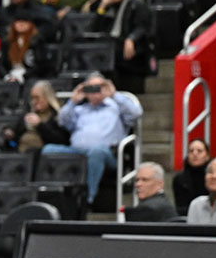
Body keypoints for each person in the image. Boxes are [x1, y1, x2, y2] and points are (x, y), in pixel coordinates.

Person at [41, 74, 143, 202]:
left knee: (97, 150)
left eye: (99, 87)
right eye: (91, 88)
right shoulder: (80, 109)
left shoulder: (116, 107)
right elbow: (62, 121)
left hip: (107, 154)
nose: (95, 92)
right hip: (77, 152)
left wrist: (114, 95)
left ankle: (89, 197)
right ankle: (50, 195)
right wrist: (73, 101)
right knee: (48, 150)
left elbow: (136, 113)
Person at [2, 80, 69, 152]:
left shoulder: (58, 116)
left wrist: (39, 125)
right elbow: (13, 144)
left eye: (37, 98)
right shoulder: (27, 116)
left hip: (44, 157)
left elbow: (62, 141)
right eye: (32, 98)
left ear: (47, 97)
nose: (34, 102)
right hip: (21, 156)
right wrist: (10, 139)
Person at [173, 139, 210, 214]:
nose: (195, 154)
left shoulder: (213, 178)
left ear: (207, 156)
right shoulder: (179, 179)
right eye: (191, 151)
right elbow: (180, 207)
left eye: (199, 151)